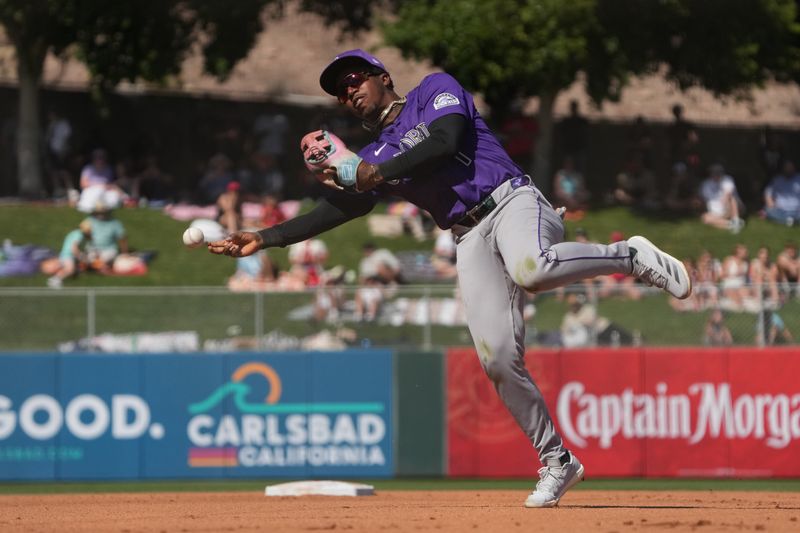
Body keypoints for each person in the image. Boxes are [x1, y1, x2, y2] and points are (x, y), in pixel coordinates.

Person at [208, 48, 692, 508]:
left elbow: (446, 139)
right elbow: (342, 207)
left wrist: (375, 171)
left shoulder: (433, 90)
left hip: (512, 200)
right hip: (467, 235)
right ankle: (556, 460)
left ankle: (629, 256)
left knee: (533, 268)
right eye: (339, 90)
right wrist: (266, 237)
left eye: (354, 79)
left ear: (383, 78)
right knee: (498, 359)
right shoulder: (376, 154)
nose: (348, 91)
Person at [700, 163, 745, 233]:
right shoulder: (706, 184)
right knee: (705, 218)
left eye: (718, 173)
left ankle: (735, 220)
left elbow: (728, 194)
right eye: (715, 173)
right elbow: (705, 201)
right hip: (717, 212)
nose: (717, 175)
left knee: (731, 198)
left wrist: (724, 206)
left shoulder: (727, 179)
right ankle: (731, 224)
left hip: (730, 208)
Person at [47, 220, 92, 288]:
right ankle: (54, 281)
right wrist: (81, 256)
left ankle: (56, 279)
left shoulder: (76, 233)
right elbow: (74, 248)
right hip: (68, 255)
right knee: (70, 269)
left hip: (65, 254)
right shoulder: (79, 235)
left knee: (70, 269)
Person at [763, 159, 800, 227]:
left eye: (790, 167)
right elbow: (768, 191)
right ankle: (791, 221)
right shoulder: (777, 180)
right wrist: (769, 201)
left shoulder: (798, 179)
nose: (788, 169)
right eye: (786, 167)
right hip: (780, 210)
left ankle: (786, 221)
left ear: (794, 168)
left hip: (797, 210)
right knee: (768, 209)